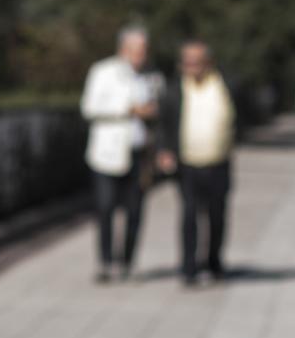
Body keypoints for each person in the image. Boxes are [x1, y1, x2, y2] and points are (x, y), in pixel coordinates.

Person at [80, 26, 159, 282]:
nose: (142, 55)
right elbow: (89, 107)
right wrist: (127, 109)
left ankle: (128, 261)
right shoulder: (103, 71)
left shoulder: (149, 77)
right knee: (105, 208)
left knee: (135, 210)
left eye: (144, 51)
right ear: (124, 49)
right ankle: (105, 262)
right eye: (138, 50)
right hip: (107, 155)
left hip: (138, 153)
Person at [157, 40, 236, 286]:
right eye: (187, 62)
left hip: (218, 160)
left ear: (208, 63)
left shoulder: (225, 85)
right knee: (189, 213)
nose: (192, 67)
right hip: (188, 163)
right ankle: (188, 266)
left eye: (197, 62)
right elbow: (164, 123)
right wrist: (164, 151)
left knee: (216, 215)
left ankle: (213, 261)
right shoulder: (174, 89)